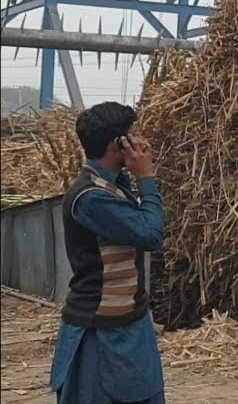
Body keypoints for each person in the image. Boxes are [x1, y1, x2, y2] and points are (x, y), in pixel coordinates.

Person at [49, 102, 166, 403]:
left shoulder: (109, 186)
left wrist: (130, 174)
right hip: (101, 335)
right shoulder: (90, 198)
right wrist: (147, 179)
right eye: (132, 135)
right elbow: (151, 234)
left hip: (128, 325)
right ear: (118, 144)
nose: (141, 142)